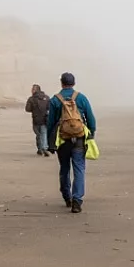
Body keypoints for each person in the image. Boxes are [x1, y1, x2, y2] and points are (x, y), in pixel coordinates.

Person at [46, 71, 97, 213]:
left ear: (62, 83)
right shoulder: (81, 98)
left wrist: (49, 142)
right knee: (79, 168)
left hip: (63, 140)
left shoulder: (55, 99)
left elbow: (50, 123)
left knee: (64, 168)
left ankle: (67, 197)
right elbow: (91, 119)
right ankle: (77, 200)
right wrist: (91, 134)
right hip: (79, 138)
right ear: (73, 83)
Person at [25, 84, 51, 156]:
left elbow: (27, 109)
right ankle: (43, 148)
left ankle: (41, 148)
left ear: (35, 90)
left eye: (32, 89)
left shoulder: (31, 99)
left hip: (36, 119)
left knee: (38, 134)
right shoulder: (47, 97)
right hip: (45, 119)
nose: (31, 91)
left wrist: (34, 109)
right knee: (44, 133)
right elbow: (49, 108)